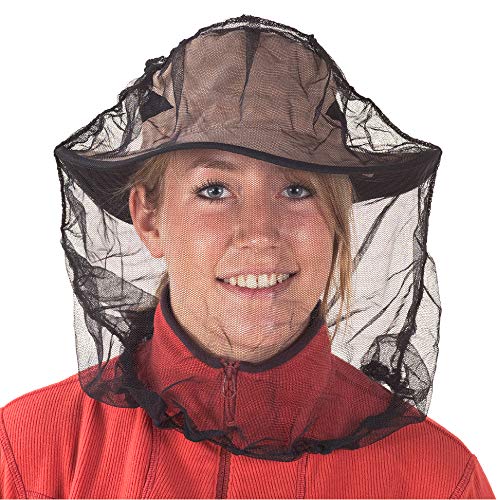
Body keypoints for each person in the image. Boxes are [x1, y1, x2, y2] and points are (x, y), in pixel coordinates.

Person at [0, 14, 495, 499]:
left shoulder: (437, 480)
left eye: (297, 189)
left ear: (337, 219)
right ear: (149, 219)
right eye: (214, 190)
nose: (259, 235)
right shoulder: (28, 452)